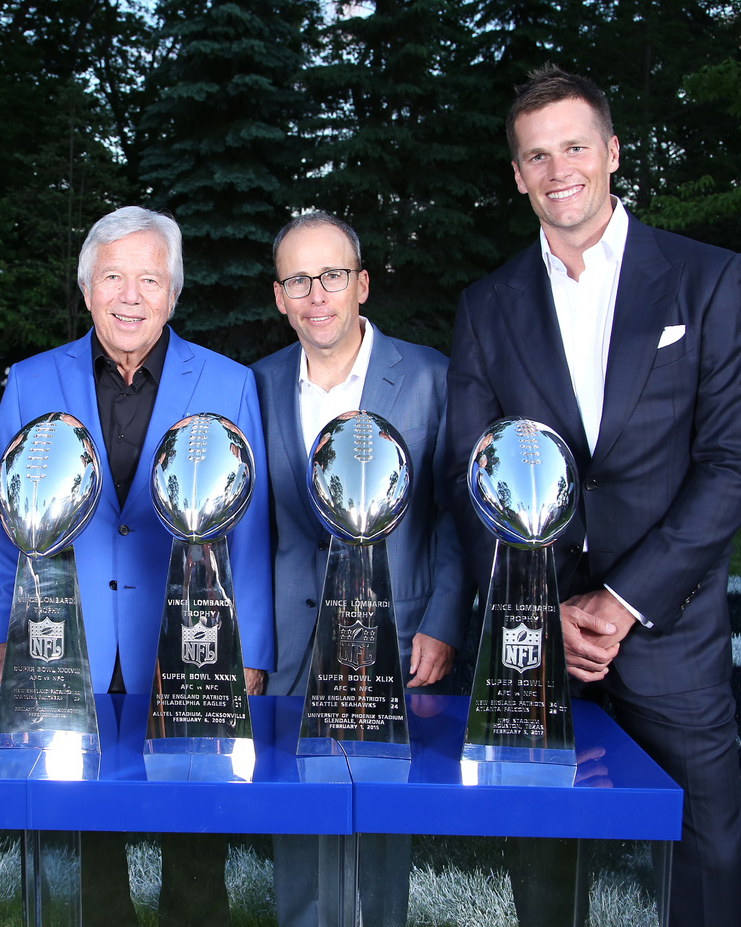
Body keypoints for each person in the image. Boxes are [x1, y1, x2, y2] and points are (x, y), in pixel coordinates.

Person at [446, 66, 741, 926]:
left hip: (671, 628)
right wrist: (538, 609)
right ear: (517, 174)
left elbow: (736, 458)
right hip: (540, 639)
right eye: (537, 155)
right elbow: (470, 476)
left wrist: (622, 603)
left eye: (575, 146)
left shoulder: (704, 279)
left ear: (614, 152)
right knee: (545, 859)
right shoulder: (486, 306)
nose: (560, 171)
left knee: (704, 855)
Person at [0, 206, 274, 926]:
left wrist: (250, 650)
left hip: (189, 647)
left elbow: (253, 529)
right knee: (84, 848)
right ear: (87, 291)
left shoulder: (229, 382)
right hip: (63, 643)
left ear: (172, 292)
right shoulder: (31, 382)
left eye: (149, 277)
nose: (130, 295)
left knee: (197, 847)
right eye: (113, 276)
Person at [252, 212, 474, 927]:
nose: (318, 294)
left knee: (380, 821)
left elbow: (453, 517)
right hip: (293, 639)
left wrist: (442, 621)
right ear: (280, 296)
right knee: (300, 820)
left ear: (363, 285)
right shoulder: (254, 384)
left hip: (399, 632)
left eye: (333, 276)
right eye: (299, 279)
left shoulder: (432, 378)